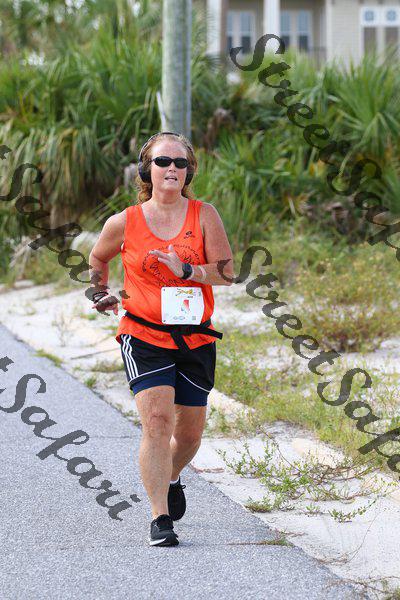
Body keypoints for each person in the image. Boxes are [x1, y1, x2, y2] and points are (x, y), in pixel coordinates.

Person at [88, 131, 234, 547]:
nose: (172, 168)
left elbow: (226, 272)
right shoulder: (124, 222)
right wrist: (99, 292)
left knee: (188, 435)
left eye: (180, 163)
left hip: (195, 337)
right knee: (156, 422)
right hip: (143, 333)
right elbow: (98, 258)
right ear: (145, 169)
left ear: (189, 172)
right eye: (162, 161)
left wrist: (187, 271)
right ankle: (159, 518)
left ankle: (172, 475)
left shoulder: (204, 215)